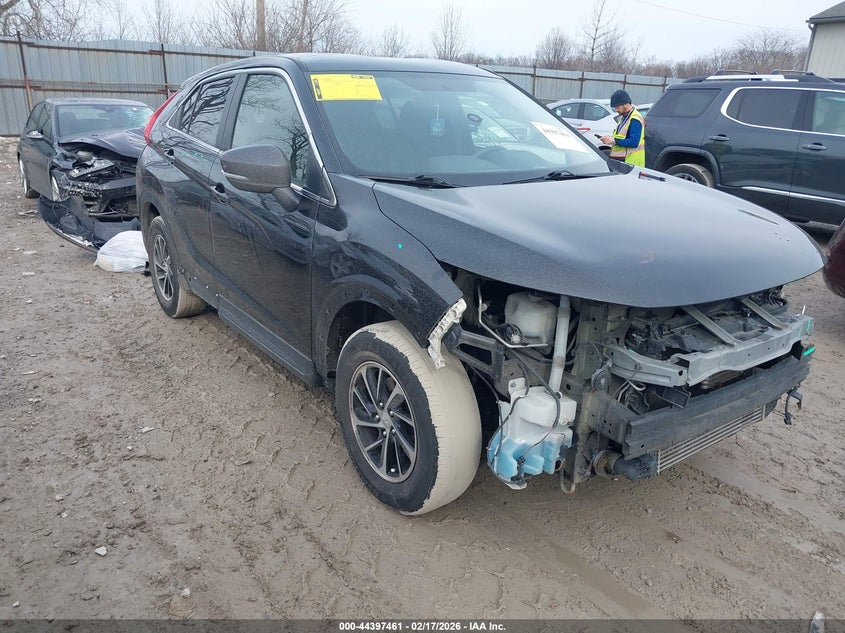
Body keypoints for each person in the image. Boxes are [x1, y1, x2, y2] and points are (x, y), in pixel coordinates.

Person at [599, 90, 645, 166]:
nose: (616, 110)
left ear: (625, 104)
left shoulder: (635, 119)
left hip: (630, 163)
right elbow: (622, 137)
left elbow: (634, 142)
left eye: (617, 107)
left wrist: (613, 140)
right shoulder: (624, 117)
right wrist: (609, 138)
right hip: (623, 161)